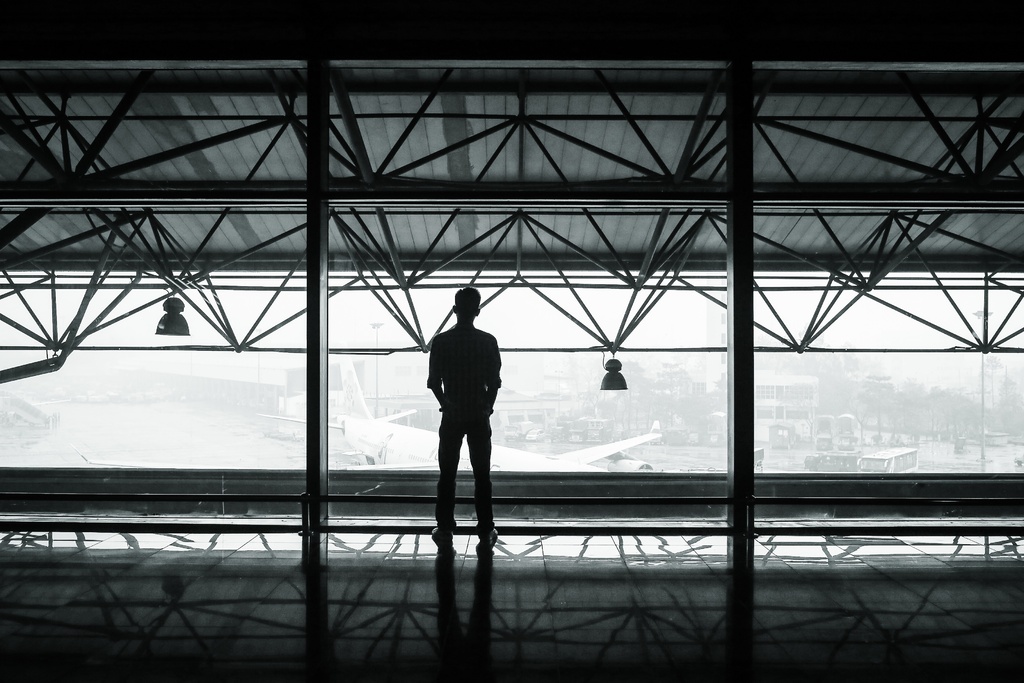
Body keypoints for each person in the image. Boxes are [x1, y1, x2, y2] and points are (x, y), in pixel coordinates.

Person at [427, 287, 501, 551]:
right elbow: (494, 383)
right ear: (477, 311)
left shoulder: (442, 341)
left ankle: (445, 529)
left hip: (452, 414)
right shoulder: (488, 341)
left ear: (455, 310)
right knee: (483, 475)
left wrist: (445, 403)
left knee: (447, 474)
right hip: (478, 415)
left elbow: (434, 383)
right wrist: (487, 407)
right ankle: (485, 529)